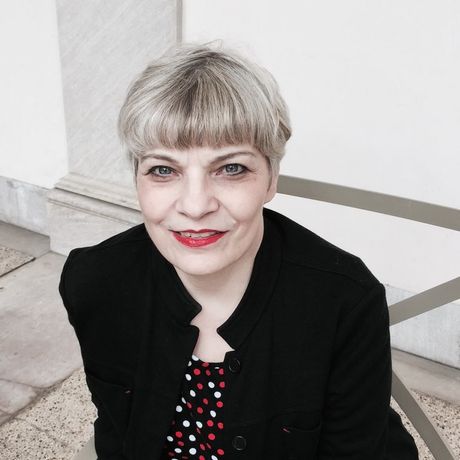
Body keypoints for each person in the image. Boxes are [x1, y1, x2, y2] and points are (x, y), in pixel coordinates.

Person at [59, 43, 419, 459]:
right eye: (163, 169)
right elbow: (118, 432)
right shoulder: (95, 282)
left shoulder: (345, 301)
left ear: (270, 179)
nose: (195, 205)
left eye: (231, 168)